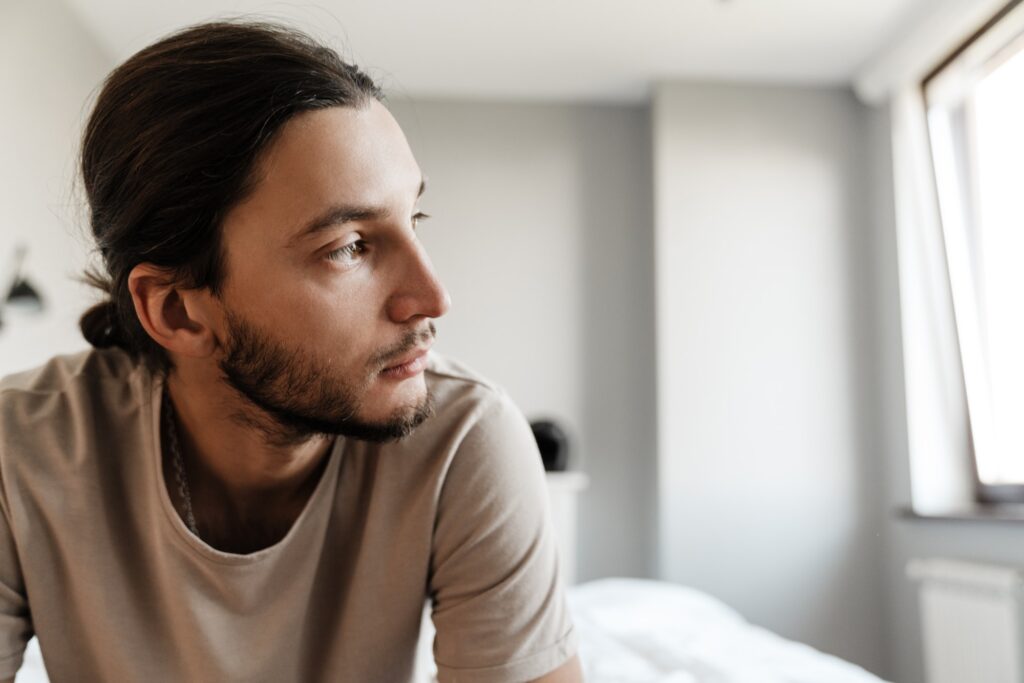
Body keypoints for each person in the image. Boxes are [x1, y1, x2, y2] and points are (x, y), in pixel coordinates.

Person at [0, 21, 581, 682]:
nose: (432, 297)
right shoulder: (21, 451)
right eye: (349, 247)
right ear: (178, 310)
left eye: (412, 219)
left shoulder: (463, 439)